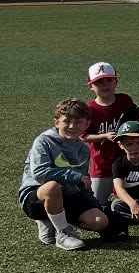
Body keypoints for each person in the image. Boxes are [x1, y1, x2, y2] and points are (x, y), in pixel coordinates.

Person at [20, 98, 127, 249]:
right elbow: (40, 174)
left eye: (78, 122)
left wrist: (94, 206)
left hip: (67, 196)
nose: (72, 126)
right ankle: (62, 233)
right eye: (66, 121)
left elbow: (82, 184)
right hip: (37, 198)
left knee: (99, 221)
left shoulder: (83, 149)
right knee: (52, 187)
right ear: (57, 122)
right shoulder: (44, 141)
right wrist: (75, 176)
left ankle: (54, 220)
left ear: (86, 125)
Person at [83, 60, 139, 205]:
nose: (105, 85)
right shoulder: (90, 109)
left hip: (128, 163)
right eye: (99, 82)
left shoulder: (124, 100)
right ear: (91, 86)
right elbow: (83, 136)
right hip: (102, 167)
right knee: (97, 203)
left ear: (116, 81)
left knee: (135, 201)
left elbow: (136, 117)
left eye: (109, 80)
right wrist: (103, 136)